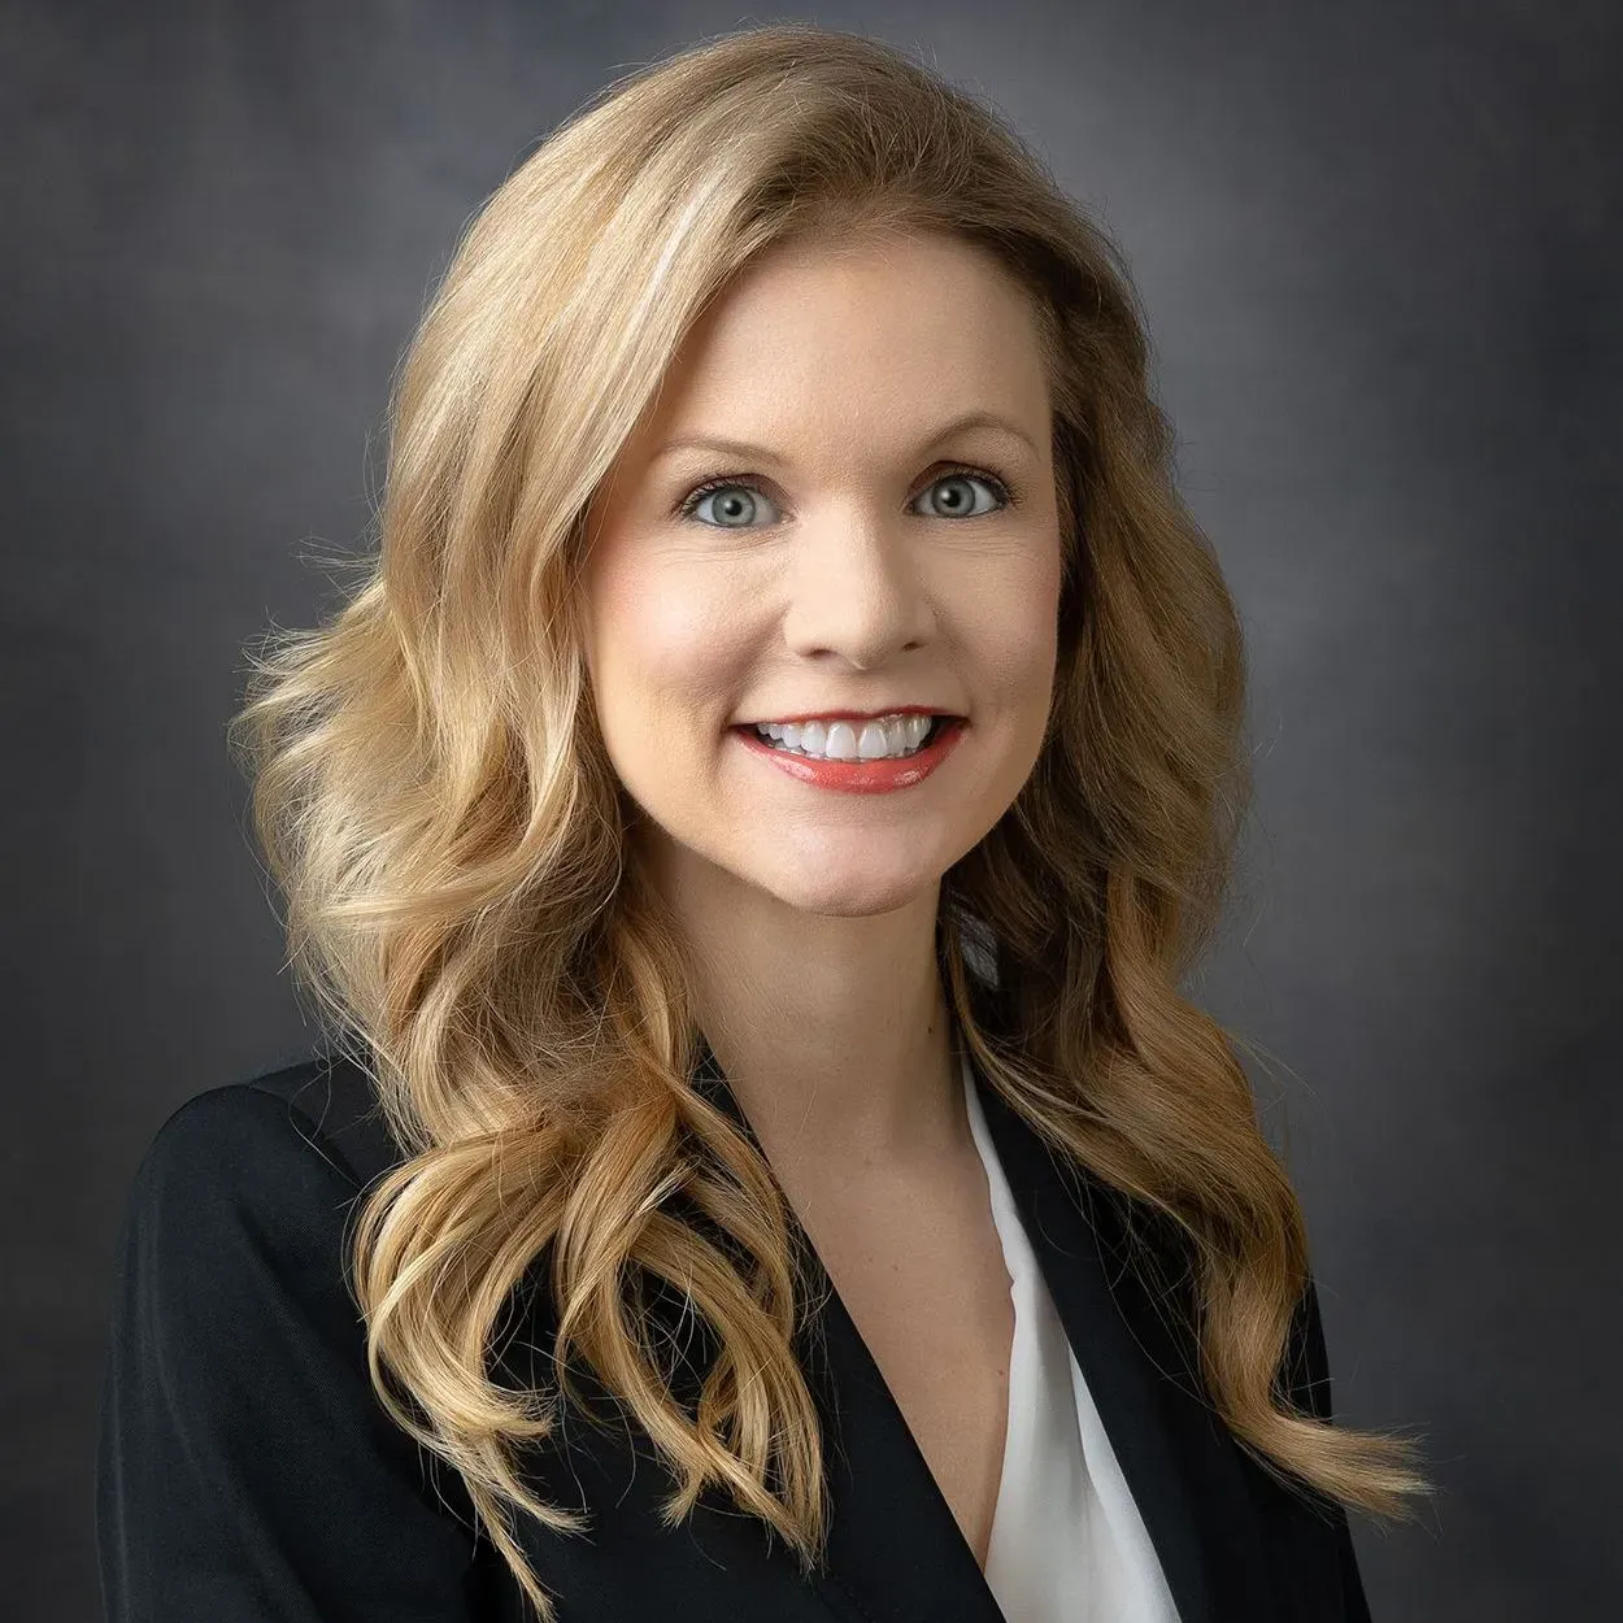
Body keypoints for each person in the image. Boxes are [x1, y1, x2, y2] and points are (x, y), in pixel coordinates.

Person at [94, 22, 1432, 1623]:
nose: (863, 615)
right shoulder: (308, 1244)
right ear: (536, 576)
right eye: (727, 499)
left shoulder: (1176, 1220)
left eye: (959, 487)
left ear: (1075, 565)